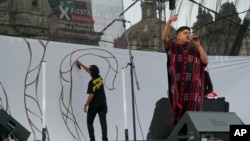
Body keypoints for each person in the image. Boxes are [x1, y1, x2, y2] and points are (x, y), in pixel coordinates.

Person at [162, 14, 209, 125]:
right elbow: (164, 38)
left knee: (194, 118)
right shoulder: (173, 47)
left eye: (189, 33)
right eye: (185, 33)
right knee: (180, 117)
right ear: (178, 36)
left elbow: (205, 61)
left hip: (193, 89)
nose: (188, 35)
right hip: (178, 88)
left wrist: (198, 45)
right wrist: (169, 21)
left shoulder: (195, 50)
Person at [76, 60, 108, 141]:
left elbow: (91, 96)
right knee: (103, 123)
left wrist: (86, 104)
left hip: (94, 106)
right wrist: (82, 65)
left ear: (92, 73)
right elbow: (89, 71)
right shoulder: (100, 78)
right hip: (103, 104)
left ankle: (92, 139)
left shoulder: (91, 83)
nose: (89, 71)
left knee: (89, 122)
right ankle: (105, 139)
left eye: (90, 71)